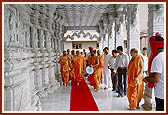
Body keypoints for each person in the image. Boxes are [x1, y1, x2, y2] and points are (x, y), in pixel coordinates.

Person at [143, 33, 164, 111]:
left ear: (154, 46)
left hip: (161, 94)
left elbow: (156, 79)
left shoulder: (158, 58)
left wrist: (147, 79)